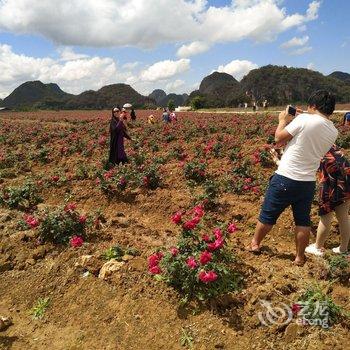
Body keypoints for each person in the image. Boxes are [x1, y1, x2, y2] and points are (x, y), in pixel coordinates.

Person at [249, 90, 338, 265]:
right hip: (307, 183)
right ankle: (299, 257)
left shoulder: (304, 120)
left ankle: (255, 244)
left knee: (268, 215)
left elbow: (278, 139)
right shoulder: (333, 130)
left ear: (313, 105)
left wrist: (283, 120)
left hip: (285, 177)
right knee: (302, 221)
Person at [305, 145, 350, 256]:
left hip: (330, 182)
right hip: (346, 180)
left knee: (326, 216)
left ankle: (318, 247)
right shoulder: (331, 142)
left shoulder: (315, 146)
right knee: (344, 216)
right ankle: (343, 248)